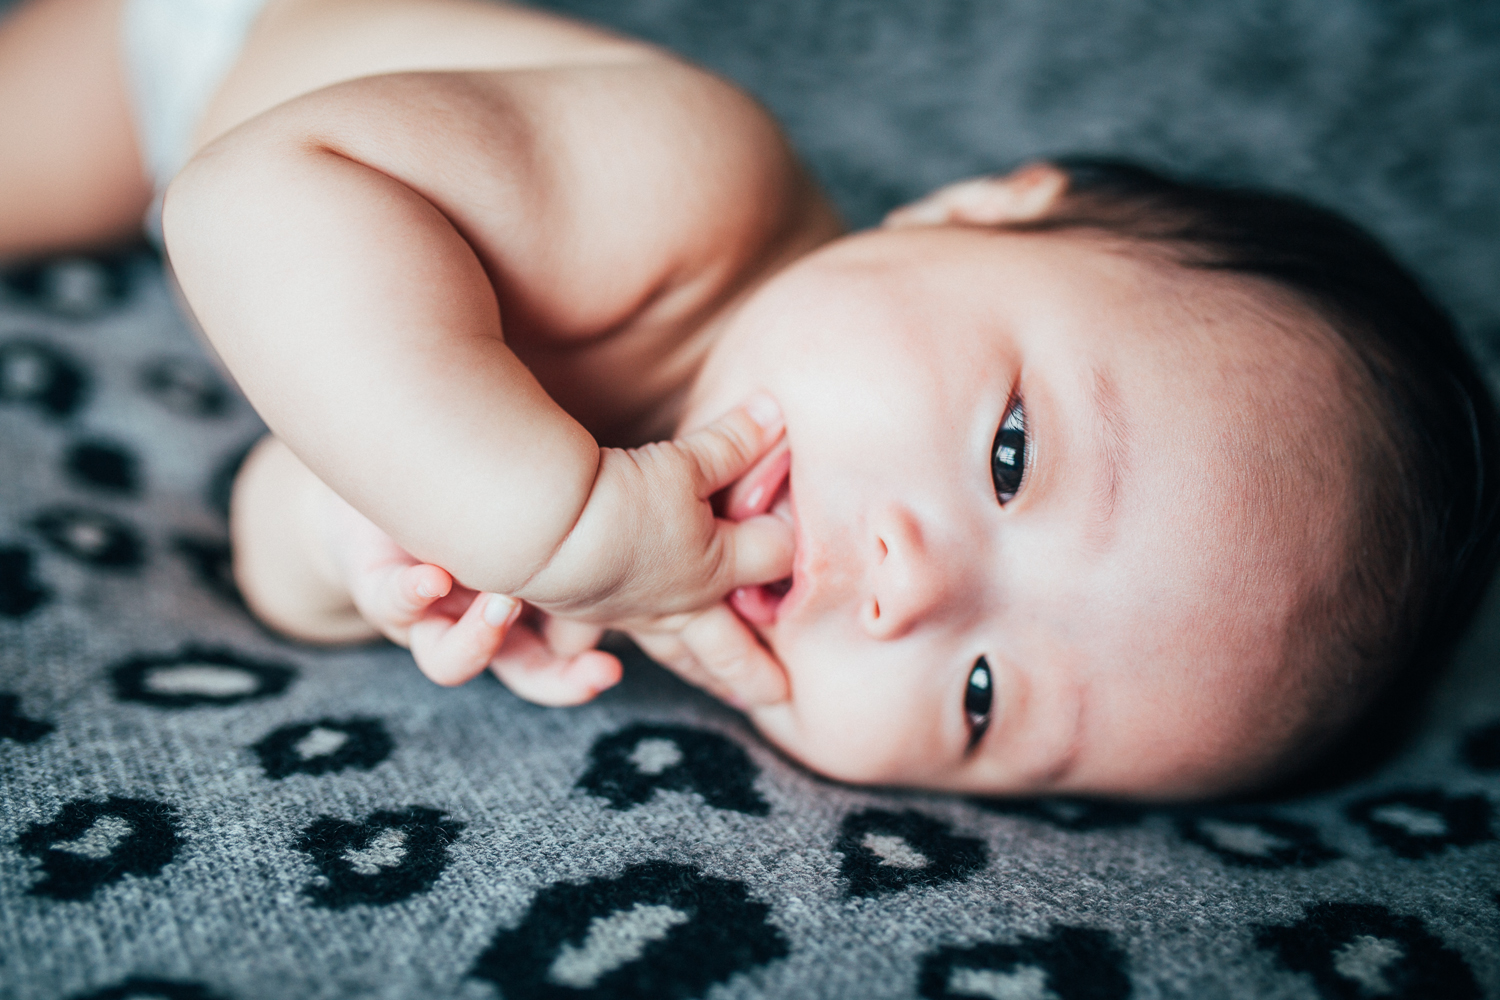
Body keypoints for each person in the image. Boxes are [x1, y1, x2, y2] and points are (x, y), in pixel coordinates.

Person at [3, 0, 1495, 800]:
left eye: (984, 698)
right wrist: (547, 515)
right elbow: (249, 198)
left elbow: (279, 517)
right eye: (1015, 452)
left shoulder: (658, 576)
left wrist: (365, 550)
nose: (912, 587)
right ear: (982, 208)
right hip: (193, 62)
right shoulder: (689, 193)